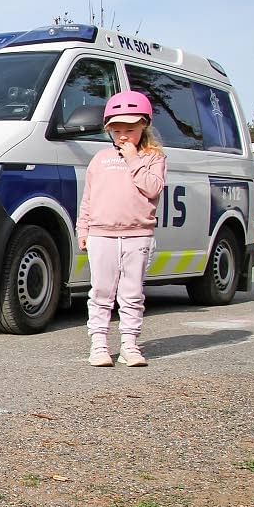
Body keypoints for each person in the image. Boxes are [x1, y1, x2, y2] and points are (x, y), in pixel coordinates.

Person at [76, 90, 167, 367]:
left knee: (132, 293)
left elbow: (152, 188)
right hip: (101, 233)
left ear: (144, 126)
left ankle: (130, 344)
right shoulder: (100, 159)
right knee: (101, 291)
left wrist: (133, 159)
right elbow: (88, 197)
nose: (123, 136)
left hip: (138, 233)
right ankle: (99, 345)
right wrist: (84, 230)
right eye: (117, 131)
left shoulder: (154, 157)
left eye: (130, 129)